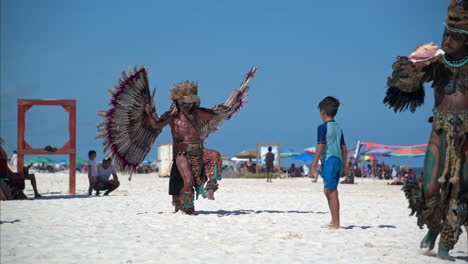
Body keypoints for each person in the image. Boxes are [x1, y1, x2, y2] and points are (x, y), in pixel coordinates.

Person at [96, 65, 257, 214]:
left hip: (198, 151)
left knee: (215, 156)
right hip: (182, 154)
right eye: (185, 102)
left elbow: (219, 112)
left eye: (191, 102)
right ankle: (187, 208)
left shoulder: (198, 113)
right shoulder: (171, 117)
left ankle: (211, 186)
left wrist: (236, 95)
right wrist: (150, 112)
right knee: (187, 182)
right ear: (178, 102)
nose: (188, 105)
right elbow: (156, 124)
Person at [385, 1, 468, 260]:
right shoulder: (436, 63)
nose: (448, 40)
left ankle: (445, 244)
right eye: (446, 34)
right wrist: (412, 66)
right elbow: (406, 88)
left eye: (456, 36)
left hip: (466, 136)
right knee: (430, 187)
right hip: (440, 131)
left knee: (458, 190)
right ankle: (432, 228)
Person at [308, 96, 347, 230]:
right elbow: (343, 148)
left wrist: (313, 166)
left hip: (330, 160)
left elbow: (320, 146)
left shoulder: (322, 127)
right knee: (327, 190)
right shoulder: (338, 127)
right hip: (337, 160)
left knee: (332, 191)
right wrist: (345, 165)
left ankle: (336, 223)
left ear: (322, 112)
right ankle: (333, 221)